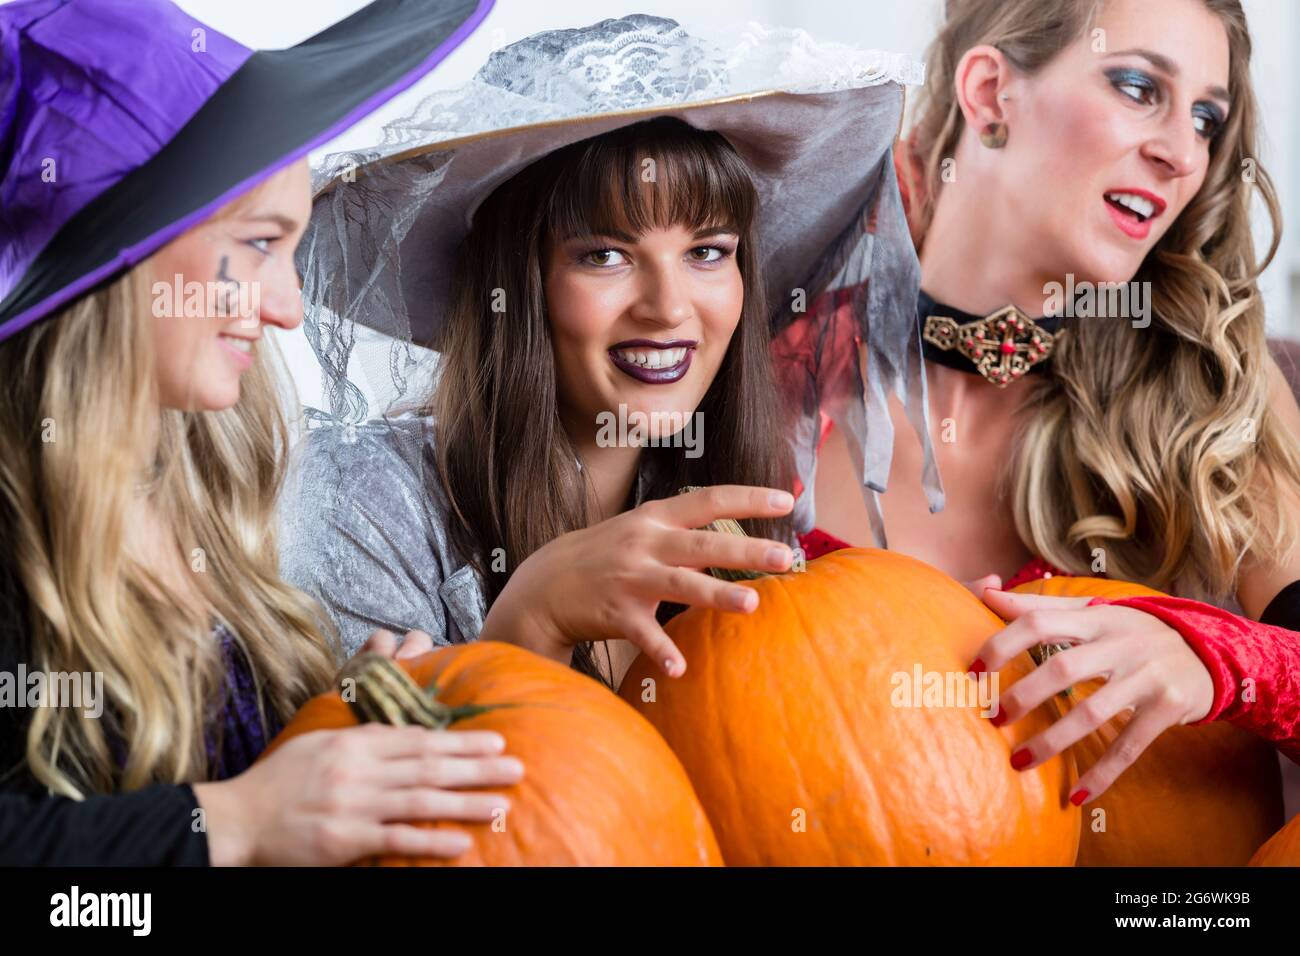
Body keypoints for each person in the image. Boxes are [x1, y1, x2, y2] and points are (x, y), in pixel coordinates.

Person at [0, 0, 523, 866]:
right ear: (120, 259)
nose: (286, 309)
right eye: (257, 243)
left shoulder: (198, 475)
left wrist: (331, 716)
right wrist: (235, 822)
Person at [279, 15, 926, 689]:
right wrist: (530, 622)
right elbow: (375, 779)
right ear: (516, 282)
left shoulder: (752, 516)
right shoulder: (364, 506)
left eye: (707, 252)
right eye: (606, 255)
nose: (669, 307)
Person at [791, 0, 1300, 805]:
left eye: (1206, 118)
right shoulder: (770, 354)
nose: (1180, 153)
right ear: (992, 93)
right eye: (1138, 87)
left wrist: (1218, 661)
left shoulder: (1209, 372)